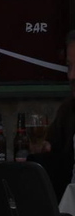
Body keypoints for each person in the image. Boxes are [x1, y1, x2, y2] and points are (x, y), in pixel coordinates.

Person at [28, 29, 75, 189]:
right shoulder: (69, 109)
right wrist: (45, 149)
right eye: (69, 67)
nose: (72, 75)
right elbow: (56, 154)